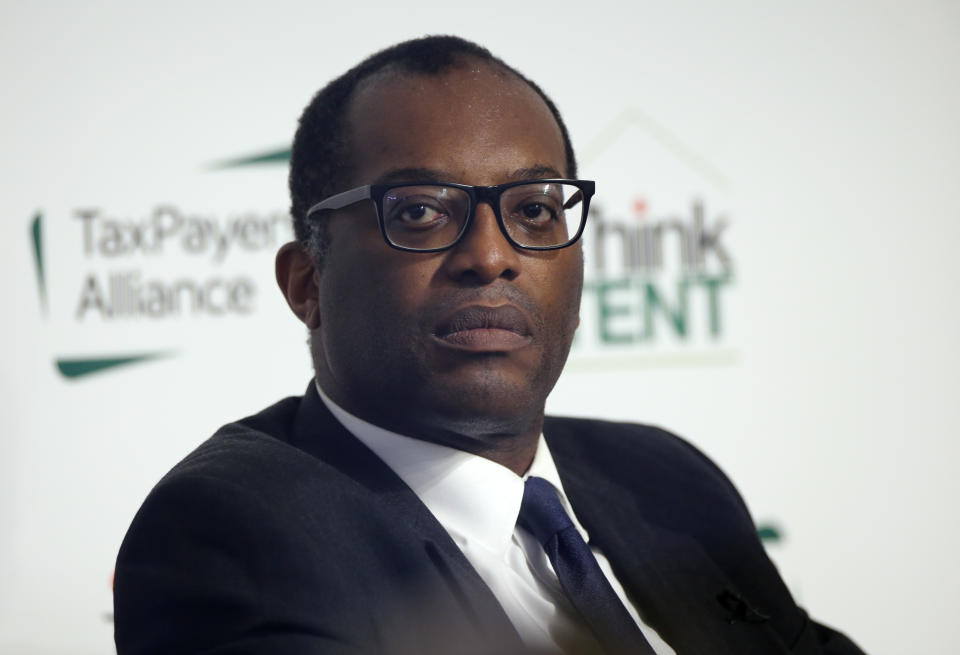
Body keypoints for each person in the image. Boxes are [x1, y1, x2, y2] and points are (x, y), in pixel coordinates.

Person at [113, 36, 865, 655]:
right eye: (419, 211)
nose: (491, 255)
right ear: (307, 282)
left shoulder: (662, 478)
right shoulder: (233, 533)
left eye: (534, 208)